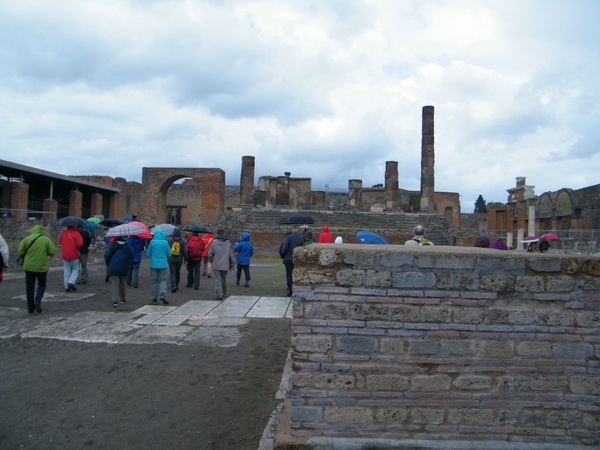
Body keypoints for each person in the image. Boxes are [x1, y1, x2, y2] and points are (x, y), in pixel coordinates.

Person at [17, 225, 56, 313]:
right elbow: (52, 251)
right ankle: (37, 300)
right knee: (42, 284)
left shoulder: (26, 239)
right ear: (41, 231)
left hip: (29, 266)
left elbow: (20, 251)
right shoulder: (46, 239)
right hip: (42, 266)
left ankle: (30, 308)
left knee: (29, 287)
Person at [104, 236, 135, 307]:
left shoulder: (112, 245)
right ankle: (122, 298)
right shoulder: (128, 246)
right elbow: (132, 255)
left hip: (113, 265)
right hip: (124, 265)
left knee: (115, 283)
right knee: (122, 283)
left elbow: (106, 254)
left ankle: (115, 300)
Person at [146, 228, 171, 305]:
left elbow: (147, 254)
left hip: (153, 264)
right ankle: (163, 294)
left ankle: (154, 298)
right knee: (163, 280)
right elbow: (169, 254)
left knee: (154, 281)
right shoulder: (165, 242)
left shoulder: (152, 242)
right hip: (163, 264)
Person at [208, 229, 235, 300]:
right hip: (225, 264)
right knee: (223, 279)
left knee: (218, 279)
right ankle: (223, 292)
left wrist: (210, 261)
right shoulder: (228, 243)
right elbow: (231, 255)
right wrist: (232, 264)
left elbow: (210, 253)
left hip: (216, 264)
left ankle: (219, 294)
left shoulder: (214, 243)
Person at [279, 225, 305, 297]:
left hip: (288, 258)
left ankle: (291, 290)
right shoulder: (301, 238)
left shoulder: (288, 237)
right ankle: (297, 288)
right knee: (296, 274)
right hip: (297, 259)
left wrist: (285, 253)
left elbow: (285, 248)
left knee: (289, 274)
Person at [59, 225, 83, 292]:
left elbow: (60, 242)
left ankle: (66, 286)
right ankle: (71, 282)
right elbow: (80, 244)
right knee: (76, 268)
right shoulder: (76, 233)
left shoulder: (63, 233)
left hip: (64, 253)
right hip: (74, 253)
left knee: (66, 270)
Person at [167, 227, 187, 293]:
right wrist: (185, 259)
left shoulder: (169, 240)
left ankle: (173, 286)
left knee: (172, 272)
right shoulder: (182, 240)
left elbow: (167, 250)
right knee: (177, 272)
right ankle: (177, 285)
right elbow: (184, 251)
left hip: (171, 258)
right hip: (179, 259)